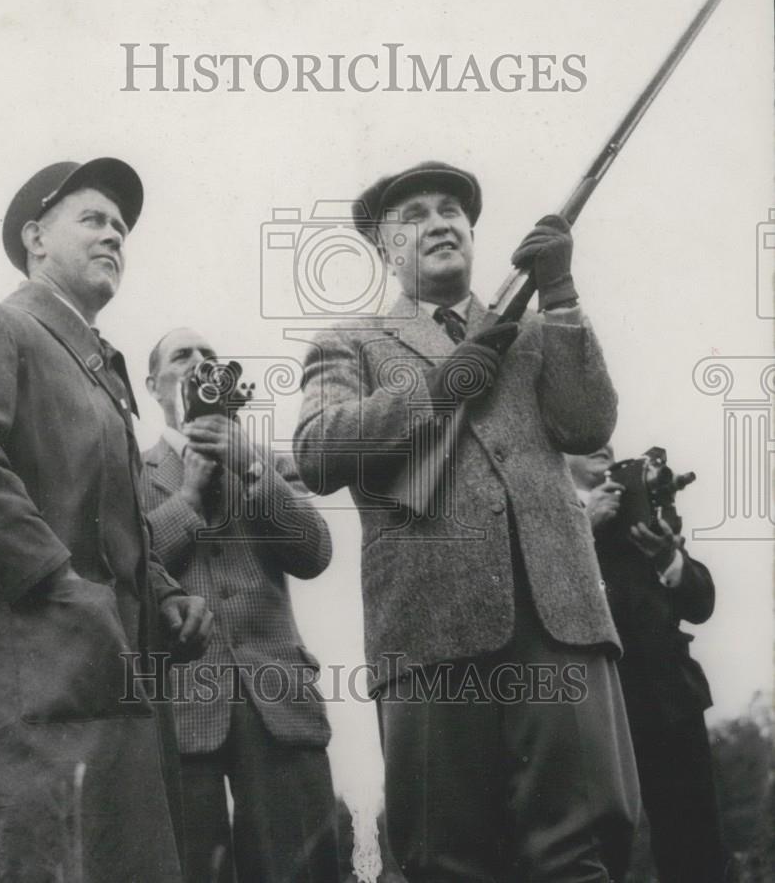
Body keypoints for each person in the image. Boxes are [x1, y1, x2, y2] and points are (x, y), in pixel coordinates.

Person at [294, 161, 640, 882]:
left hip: (559, 621)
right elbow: (318, 451)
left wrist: (561, 294)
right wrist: (439, 386)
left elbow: (587, 425)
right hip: (430, 630)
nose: (439, 223)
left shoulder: (535, 328)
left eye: (450, 209)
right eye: (414, 215)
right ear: (384, 249)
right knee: (448, 859)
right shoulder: (349, 340)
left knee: (579, 849)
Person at [0, 158, 213, 882]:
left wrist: (165, 594)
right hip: (25, 708)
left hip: (113, 701)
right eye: (93, 219)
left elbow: (110, 525)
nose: (114, 236)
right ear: (36, 238)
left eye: (121, 227)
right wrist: (57, 585)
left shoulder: (98, 377)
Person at [139, 326, 340, 883]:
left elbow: (314, 553)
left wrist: (250, 465)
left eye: (210, 355)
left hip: (279, 704)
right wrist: (188, 496)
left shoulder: (264, 464)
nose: (199, 363)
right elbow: (128, 572)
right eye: (182, 355)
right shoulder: (131, 473)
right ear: (153, 385)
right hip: (179, 712)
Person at [567, 445, 728, 883]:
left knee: (696, 852)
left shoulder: (639, 509)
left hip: (670, 703)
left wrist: (667, 557)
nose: (601, 442)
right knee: (598, 856)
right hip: (596, 712)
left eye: (606, 435)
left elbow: (701, 603)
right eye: (584, 435)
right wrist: (582, 528)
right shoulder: (550, 512)